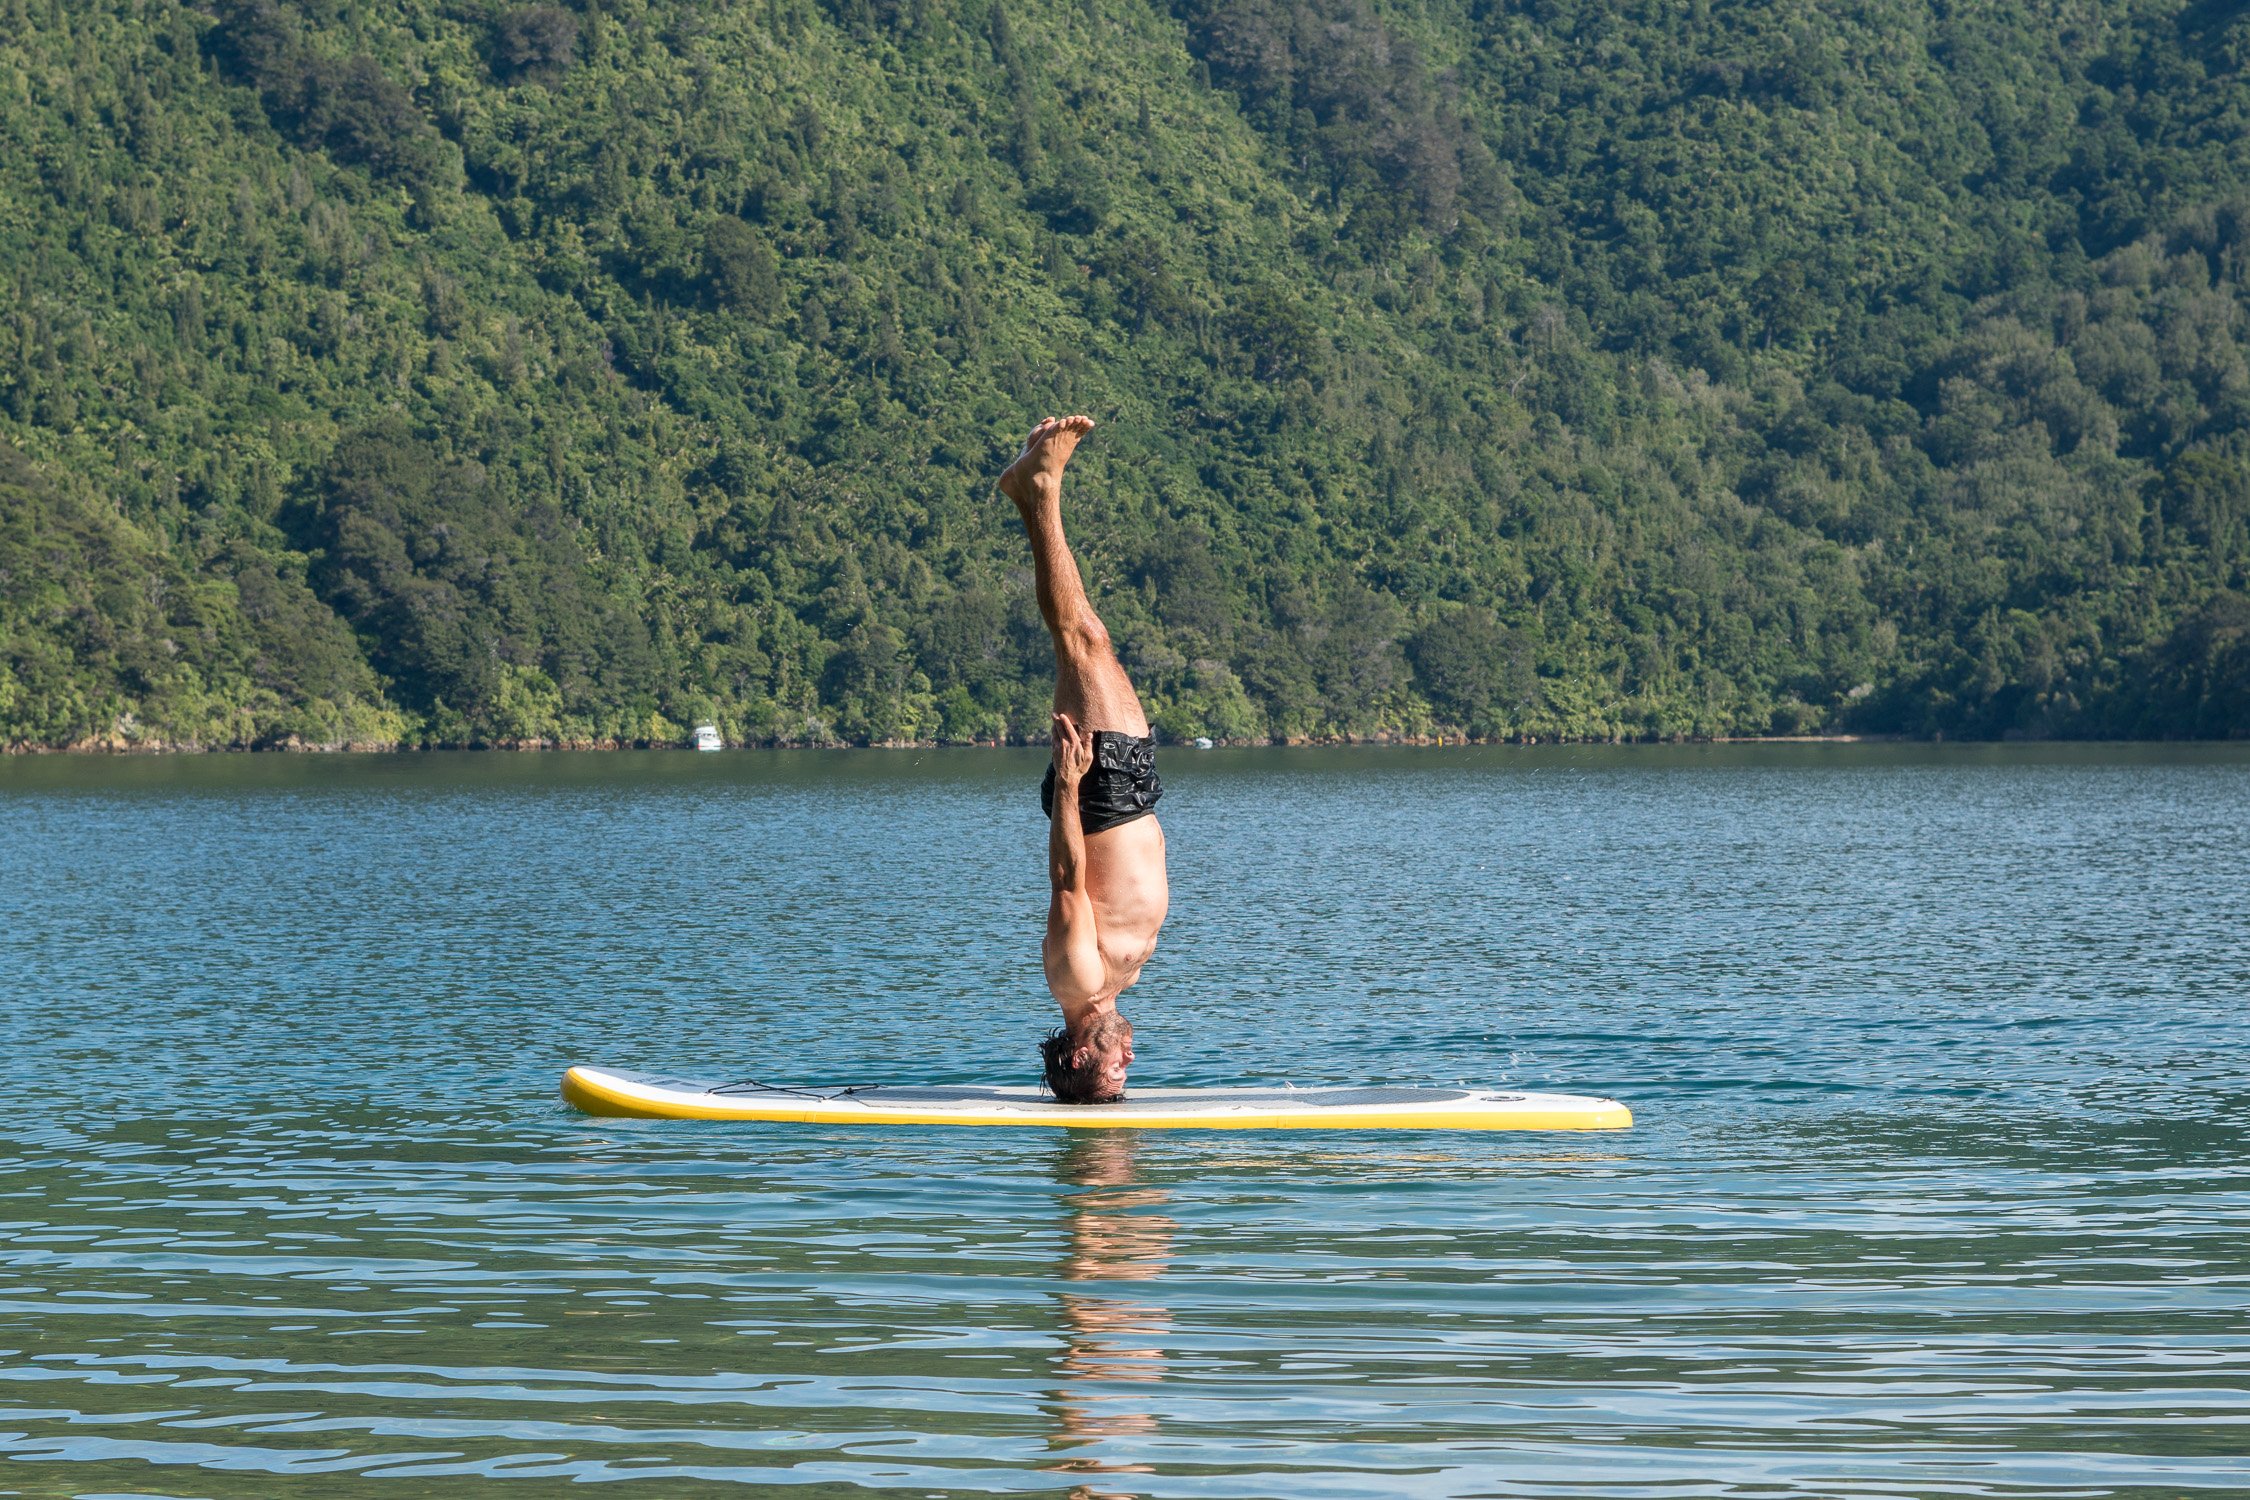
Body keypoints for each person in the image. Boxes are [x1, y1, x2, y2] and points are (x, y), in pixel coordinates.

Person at [998, 416, 1168, 1104]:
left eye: (1115, 1071)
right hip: (1123, 796)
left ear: (1075, 1060)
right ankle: (1033, 492)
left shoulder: (1076, 980)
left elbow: (1068, 880)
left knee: (1086, 640)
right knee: (1080, 642)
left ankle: (1041, 490)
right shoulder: (1107, 987)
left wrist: (1070, 785)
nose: (1129, 1060)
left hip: (1100, 797)